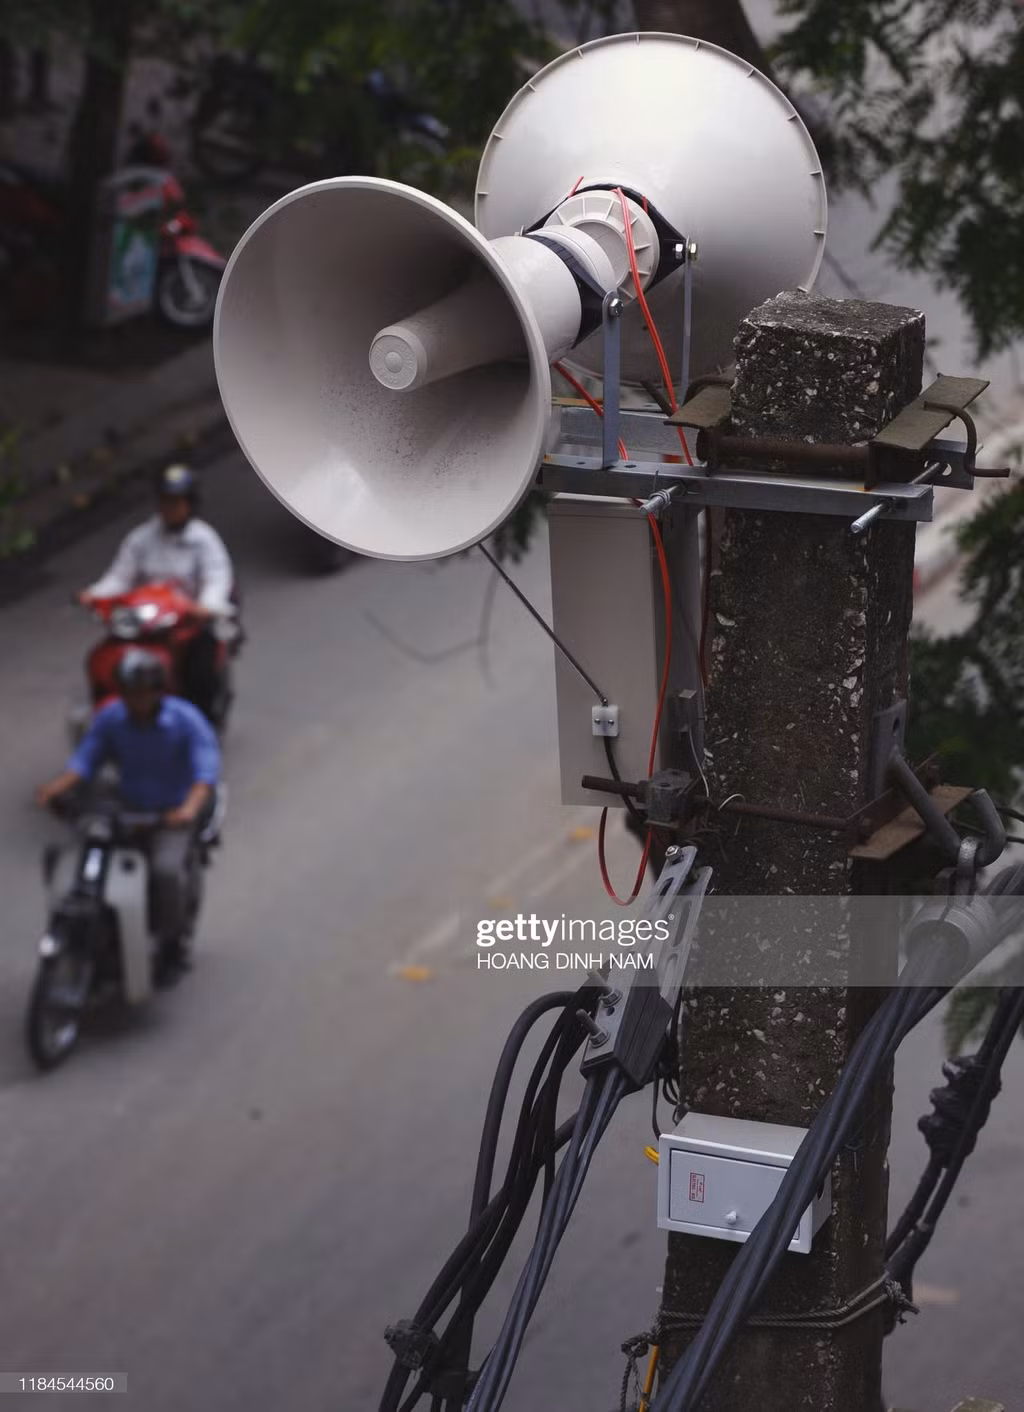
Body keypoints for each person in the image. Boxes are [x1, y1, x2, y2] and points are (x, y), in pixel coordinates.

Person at [37, 649, 221, 983]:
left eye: (141, 693)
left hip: (170, 813)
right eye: (128, 692)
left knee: (165, 872)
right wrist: (55, 788)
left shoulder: (185, 720)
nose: (134, 700)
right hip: (125, 807)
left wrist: (188, 809)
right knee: (65, 854)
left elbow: (204, 772)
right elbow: (85, 760)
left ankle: (171, 945)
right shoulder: (111, 718)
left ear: (157, 691)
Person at [78, 463, 237, 720]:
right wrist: (94, 594)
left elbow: (217, 578)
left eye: (176, 502)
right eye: (165, 501)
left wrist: (205, 606)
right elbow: (120, 576)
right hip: (145, 621)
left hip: (188, 624)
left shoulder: (204, 541)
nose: (169, 508)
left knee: (200, 672)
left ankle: (201, 724)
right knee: (103, 657)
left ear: (190, 504)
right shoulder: (141, 539)